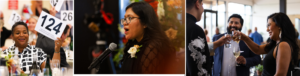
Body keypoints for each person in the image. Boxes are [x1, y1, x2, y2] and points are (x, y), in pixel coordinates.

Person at [120, 2, 176, 74]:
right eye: (125, 18)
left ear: (145, 23)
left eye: (130, 18)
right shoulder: (134, 43)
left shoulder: (152, 47)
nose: (125, 22)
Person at [186, 0, 229, 76]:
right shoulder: (195, 29)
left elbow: (191, 51)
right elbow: (200, 68)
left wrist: (216, 44)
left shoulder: (179, 25)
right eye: (202, 4)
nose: (202, 10)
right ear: (197, 4)